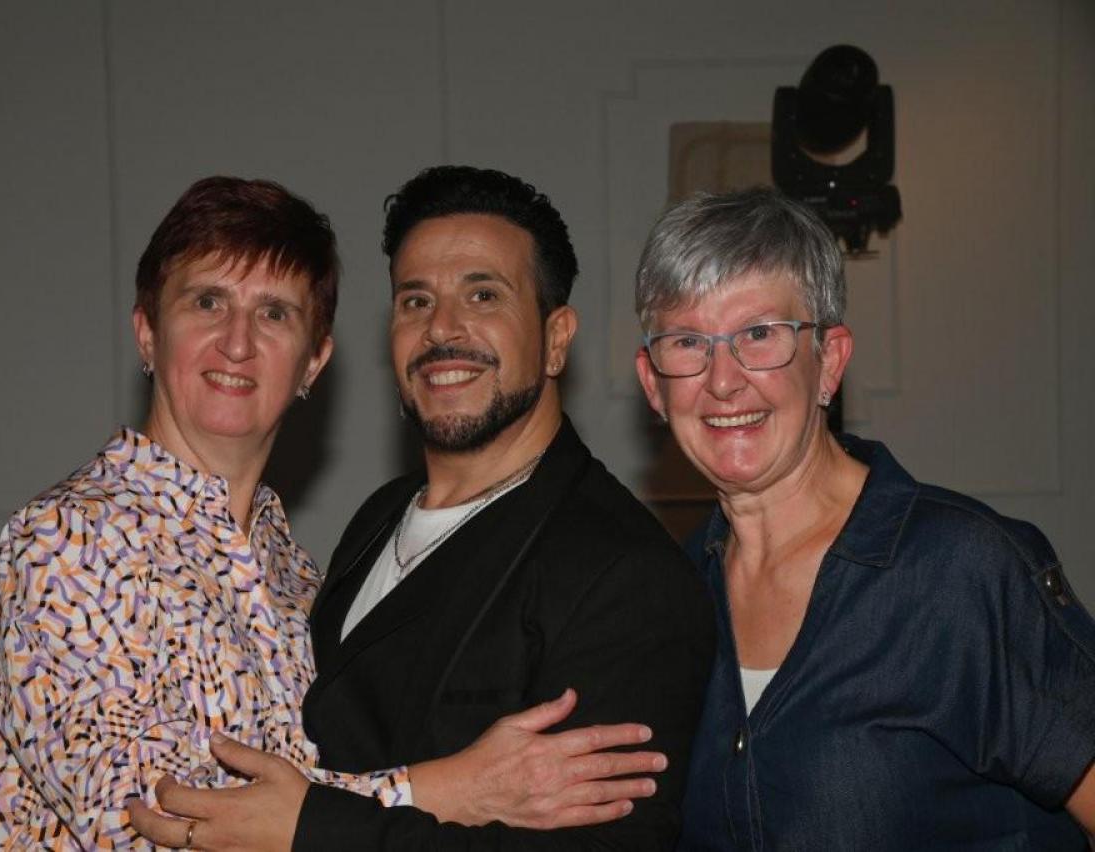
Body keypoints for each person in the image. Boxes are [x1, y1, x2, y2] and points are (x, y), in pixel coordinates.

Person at [0, 176, 667, 849]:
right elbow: (152, 825)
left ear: (314, 360)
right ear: (148, 332)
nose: (237, 342)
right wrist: (448, 789)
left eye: (274, 313)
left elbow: (294, 793)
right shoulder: (67, 541)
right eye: (207, 302)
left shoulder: (290, 568)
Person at [130, 165, 717, 851]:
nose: (441, 328)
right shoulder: (375, 520)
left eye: (483, 295)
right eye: (415, 300)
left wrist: (313, 830)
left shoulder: (624, 576)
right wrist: (440, 790)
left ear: (556, 339)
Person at [632, 186, 1095, 848]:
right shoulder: (671, 601)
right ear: (653, 384)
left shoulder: (958, 571)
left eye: (760, 334)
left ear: (830, 361)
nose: (723, 380)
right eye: (687, 341)